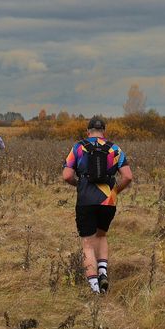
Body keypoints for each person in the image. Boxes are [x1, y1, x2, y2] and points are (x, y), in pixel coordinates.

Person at [61, 116, 133, 295]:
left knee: (87, 242)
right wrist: (115, 191)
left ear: (88, 131)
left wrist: (79, 185)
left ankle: (95, 289)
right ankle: (103, 273)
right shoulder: (115, 148)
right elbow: (128, 176)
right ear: (104, 132)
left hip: (86, 200)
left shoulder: (78, 147)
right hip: (108, 202)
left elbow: (67, 175)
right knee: (101, 236)